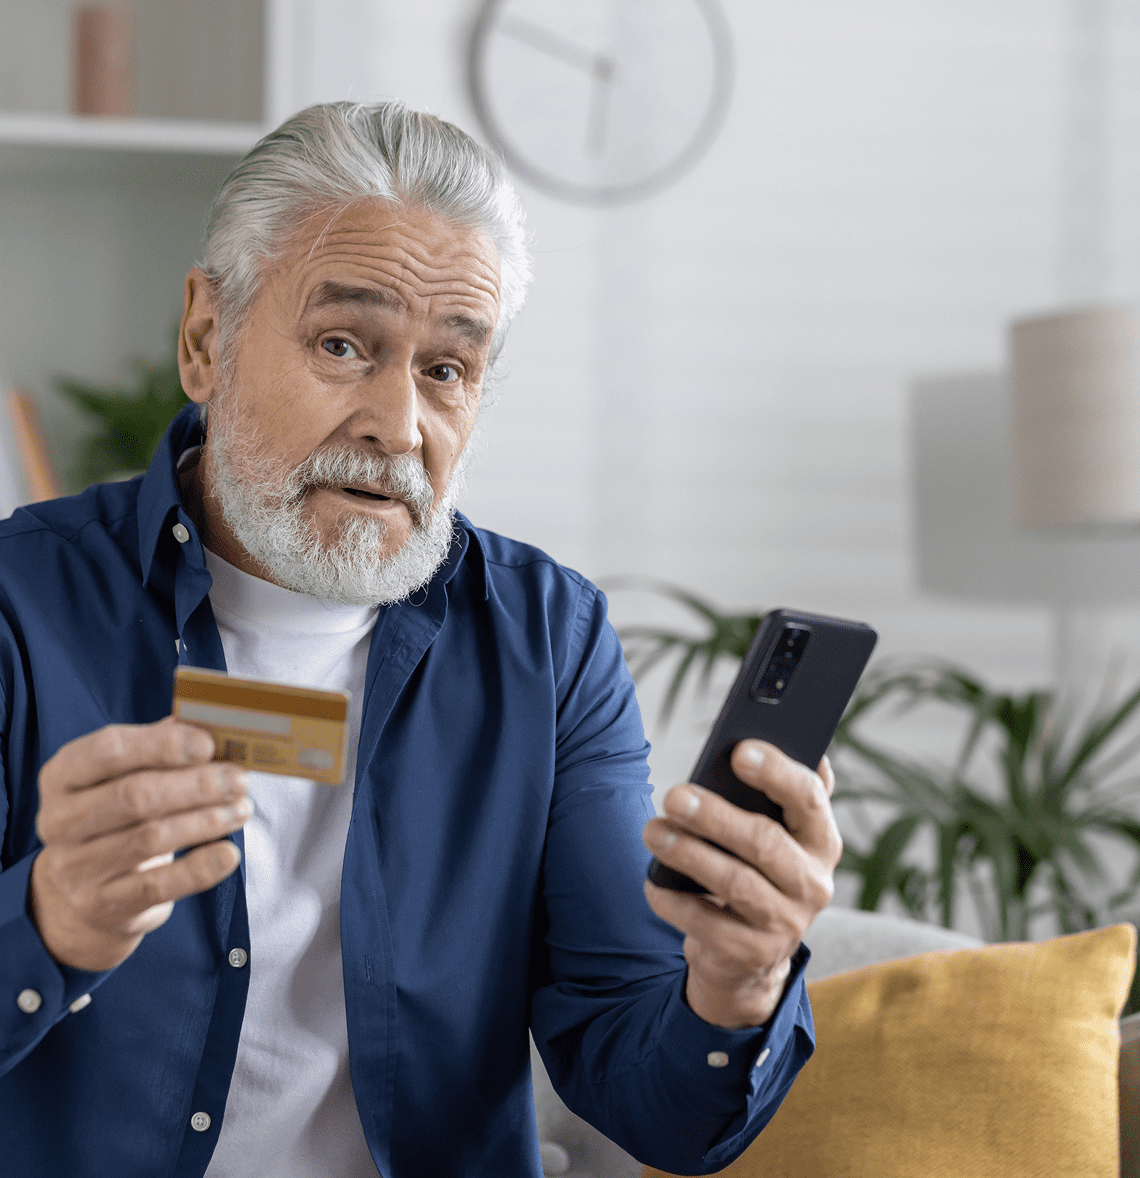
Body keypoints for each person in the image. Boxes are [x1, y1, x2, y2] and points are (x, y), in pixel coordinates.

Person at [0, 103, 840, 1177]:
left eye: (447, 368)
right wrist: (49, 925)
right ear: (206, 339)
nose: (397, 425)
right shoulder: (21, 606)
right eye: (344, 344)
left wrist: (737, 987)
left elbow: (658, 1103)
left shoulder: (549, 639)